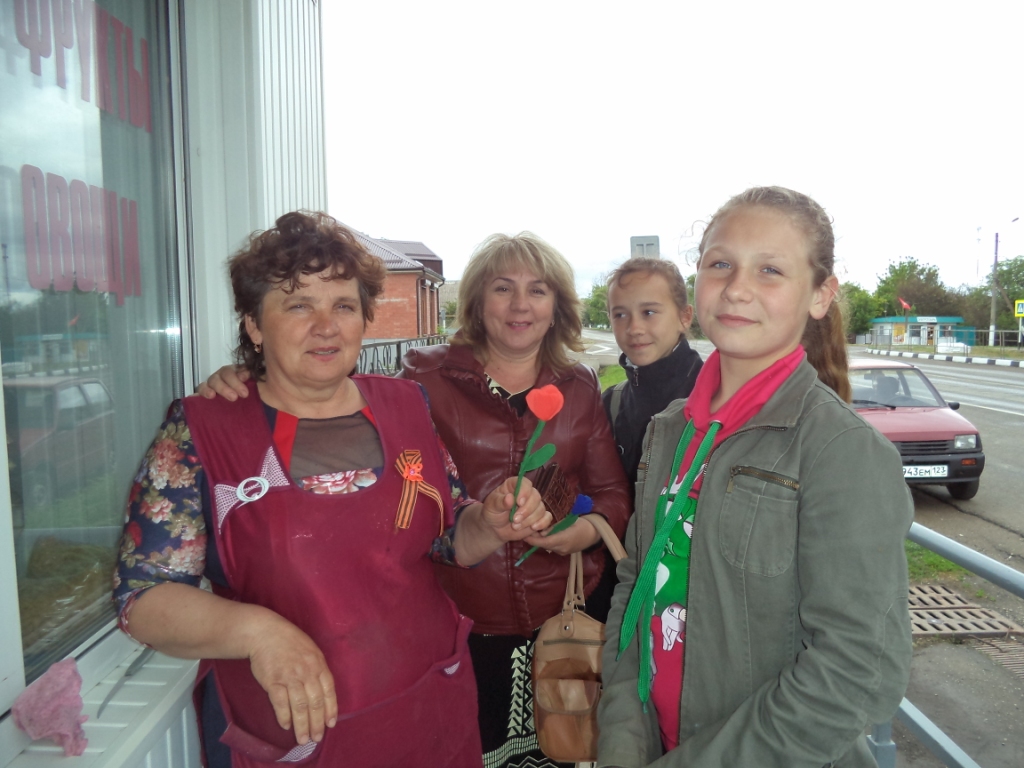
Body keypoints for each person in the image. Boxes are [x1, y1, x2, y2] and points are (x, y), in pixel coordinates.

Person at [113, 211, 552, 768]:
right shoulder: (202, 431)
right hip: (292, 733)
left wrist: (487, 523)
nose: (326, 326)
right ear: (254, 325)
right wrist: (258, 633)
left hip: (427, 710)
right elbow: (143, 597)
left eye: (343, 306)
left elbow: (446, 535)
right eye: (299, 305)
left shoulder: (406, 405)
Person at [200, 231, 632, 768]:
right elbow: (327, 393)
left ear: (557, 306)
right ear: (477, 301)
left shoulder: (580, 384)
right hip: (460, 620)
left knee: (565, 750)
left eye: (538, 290)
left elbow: (610, 493)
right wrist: (252, 376)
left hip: (561, 617)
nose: (520, 304)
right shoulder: (423, 379)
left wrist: (580, 534)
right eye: (503, 288)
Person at [597, 187, 913, 768]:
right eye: (720, 264)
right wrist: (621, 741)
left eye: (770, 269)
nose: (737, 288)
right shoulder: (669, 432)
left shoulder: (841, 450)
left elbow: (856, 670)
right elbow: (635, 588)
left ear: (820, 295)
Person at [603, 257, 703, 487]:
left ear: (684, 317)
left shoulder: (718, 397)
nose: (634, 328)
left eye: (648, 312)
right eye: (620, 315)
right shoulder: (610, 404)